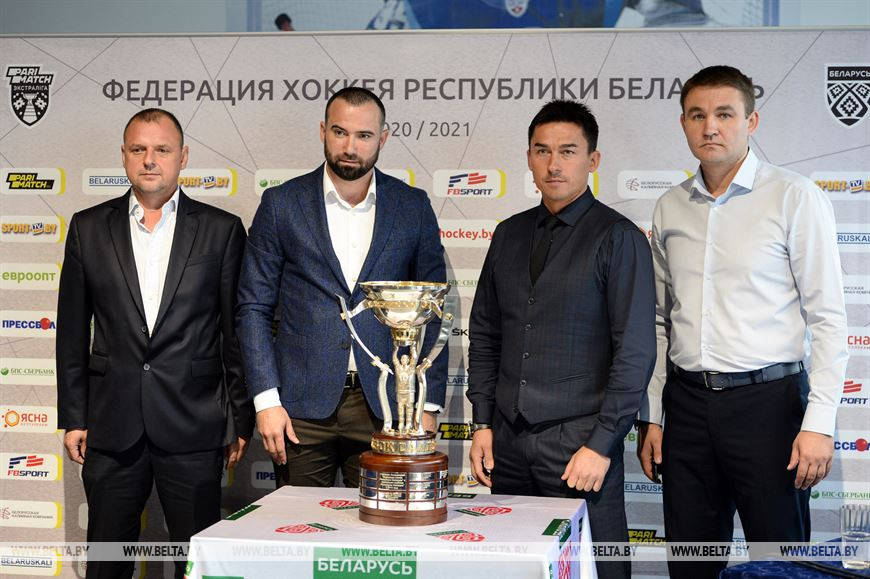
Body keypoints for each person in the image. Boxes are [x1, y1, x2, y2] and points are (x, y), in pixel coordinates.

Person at [636, 65, 849, 578]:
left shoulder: (794, 195)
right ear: (683, 124)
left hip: (770, 409)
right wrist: (653, 416)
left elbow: (827, 319)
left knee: (779, 567)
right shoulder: (670, 207)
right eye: (697, 115)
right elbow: (661, 322)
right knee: (690, 564)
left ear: (751, 122)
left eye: (725, 114)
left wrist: (818, 424)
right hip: (687, 408)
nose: (710, 127)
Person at [56, 108, 253, 579]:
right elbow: (71, 331)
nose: (150, 159)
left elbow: (236, 334)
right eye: (139, 149)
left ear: (182, 157)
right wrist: (75, 416)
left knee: (196, 562)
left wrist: (239, 417)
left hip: (194, 422)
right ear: (123, 156)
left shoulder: (222, 230)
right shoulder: (87, 227)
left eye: (162, 149)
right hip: (112, 423)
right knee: (107, 561)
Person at [467, 100, 656, 579]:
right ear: (529, 158)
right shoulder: (507, 234)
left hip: (580, 446)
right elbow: (486, 334)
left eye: (568, 151)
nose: (554, 164)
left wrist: (602, 444)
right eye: (542, 150)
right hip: (507, 442)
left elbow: (635, 352)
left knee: (597, 568)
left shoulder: (619, 237)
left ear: (593, 160)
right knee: (515, 569)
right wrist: (482, 423)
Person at [237, 86, 447, 488]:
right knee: (297, 525)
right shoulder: (282, 203)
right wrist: (265, 400)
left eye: (364, 135)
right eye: (340, 132)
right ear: (323, 131)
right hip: (299, 409)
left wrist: (428, 402)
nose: (350, 147)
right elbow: (253, 308)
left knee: (380, 525)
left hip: (387, 408)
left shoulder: (412, 206)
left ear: (383, 138)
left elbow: (433, 310)